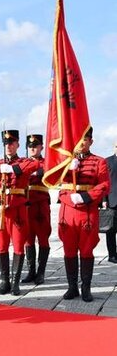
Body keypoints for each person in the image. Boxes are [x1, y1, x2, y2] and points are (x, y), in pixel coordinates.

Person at [58, 128, 109, 302]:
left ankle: (86, 287)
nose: (81, 143)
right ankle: (72, 287)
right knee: (69, 250)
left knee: (87, 250)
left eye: (85, 139)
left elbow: (104, 186)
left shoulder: (99, 161)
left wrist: (85, 196)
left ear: (91, 142)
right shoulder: (63, 161)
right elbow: (52, 179)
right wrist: (65, 168)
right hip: (67, 211)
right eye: (79, 139)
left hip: (87, 212)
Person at [0, 130, 40, 296]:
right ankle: (5, 281)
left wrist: (11, 168)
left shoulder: (24, 162)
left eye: (12, 143)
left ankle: (16, 282)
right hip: (1, 211)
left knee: (18, 246)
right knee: (2, 247)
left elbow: (35, 165)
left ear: (17, 145)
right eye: (6, 143)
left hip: (18, 210)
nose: (9, 146)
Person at [22, 135, 51, 284]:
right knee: (28, 239)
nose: (32, 148)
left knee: (43, 238)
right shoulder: (23, 162)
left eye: (36, 145)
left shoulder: (47, 162)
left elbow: (49, 171)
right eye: (30, 145)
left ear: (41, 147)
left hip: (41, 204)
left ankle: (41, 272)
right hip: (26, 204)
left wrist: (33, 172)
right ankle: (31, 271)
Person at [103, 141, 117, 264]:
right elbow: (104, 182)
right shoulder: (108, 161)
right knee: (111, 230)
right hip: (112, 200)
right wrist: (104, 200)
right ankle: (112, 255)